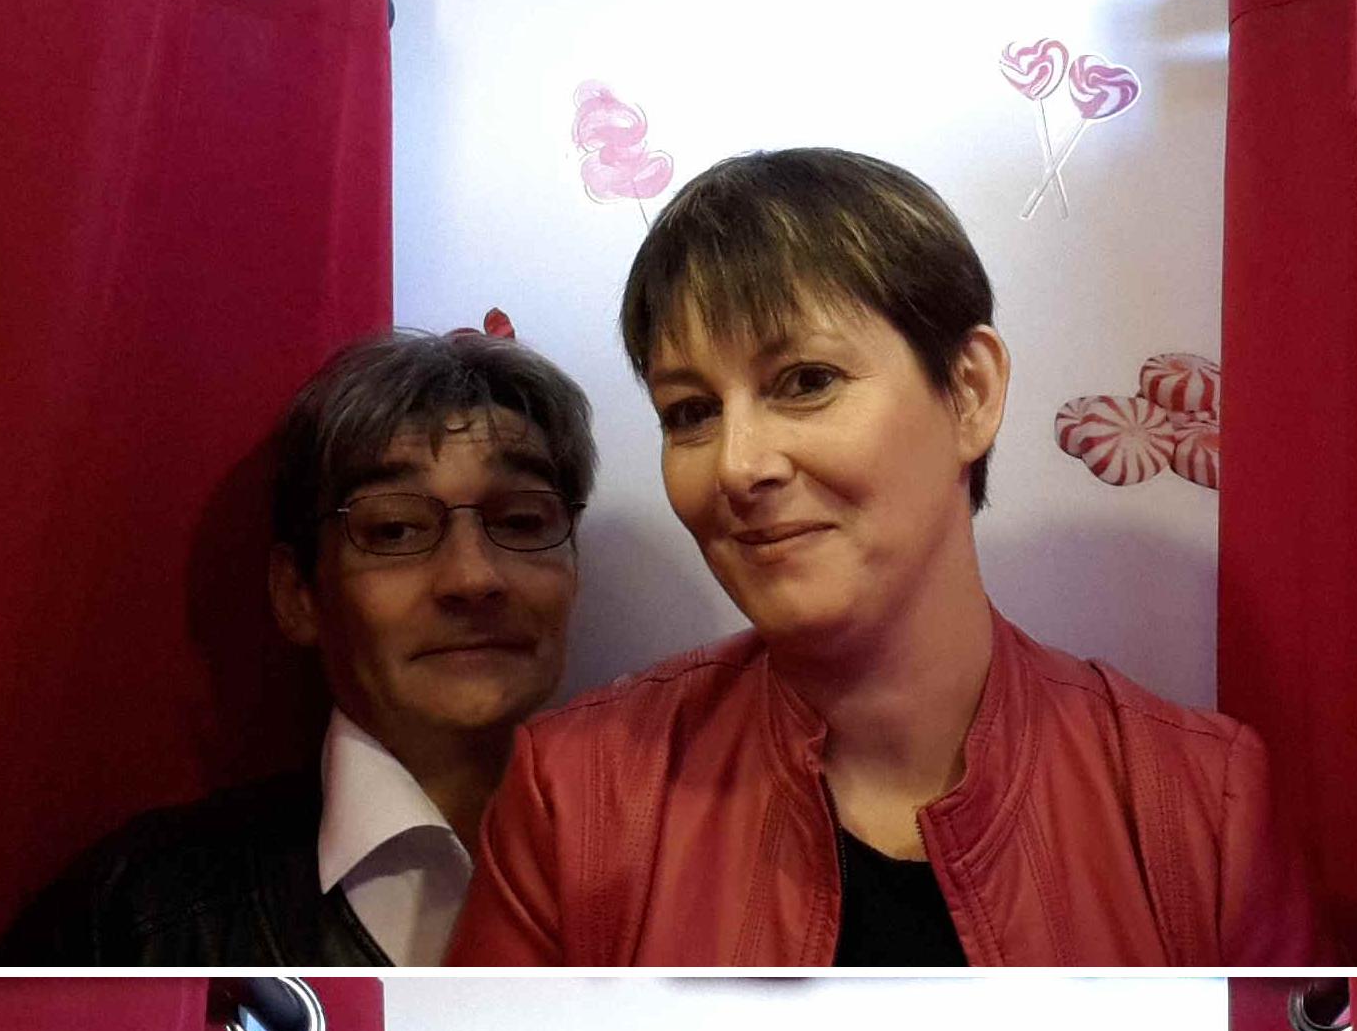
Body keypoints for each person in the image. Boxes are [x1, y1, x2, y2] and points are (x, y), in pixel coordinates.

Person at [453, 149, 1312, 970]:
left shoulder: (1198, 804)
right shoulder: (577, 796)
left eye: (805, 381)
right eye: (690, 412)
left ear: (969, 392)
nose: (738, 465)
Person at [0, 323, 595, 966]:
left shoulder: (655, 854)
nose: (473, 578)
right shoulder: (137, 917)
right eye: (394, 529)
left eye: (522, 521)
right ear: (297, 593)